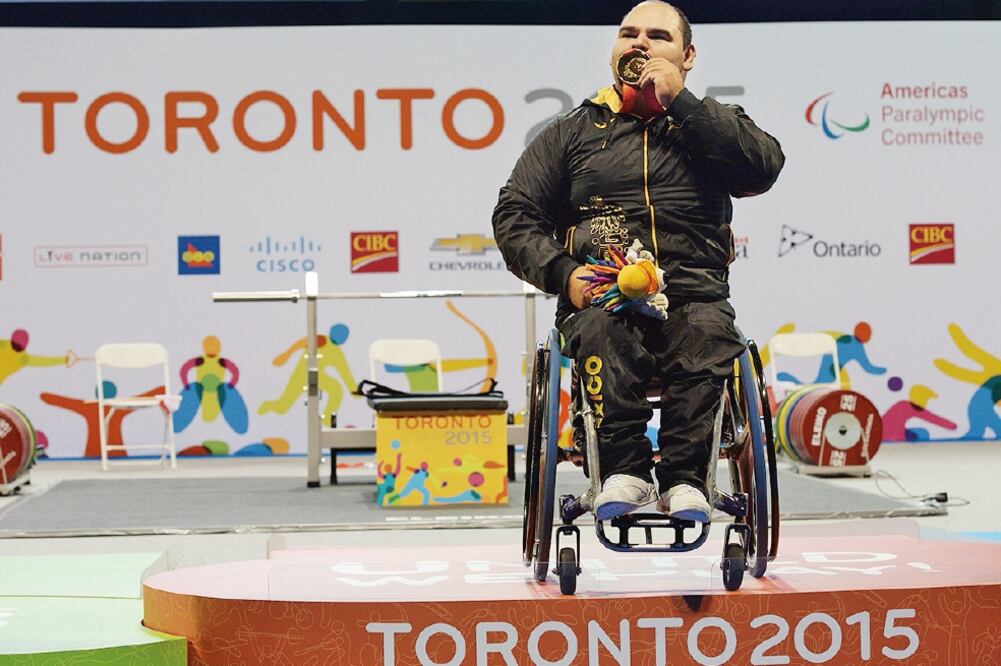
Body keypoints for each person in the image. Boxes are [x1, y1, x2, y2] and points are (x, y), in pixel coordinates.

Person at [492, 0, 784, 522]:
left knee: (707, 334)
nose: (640, 43)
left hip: (692, 295)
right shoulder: (571, 133)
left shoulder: (711, 124)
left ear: (687, 56)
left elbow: (762, 169)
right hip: (603, 297)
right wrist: (564, 275)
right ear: (614, 51)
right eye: (629, 33)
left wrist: (681, 104)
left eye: (658, 36)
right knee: (601, 329)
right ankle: (623, 473)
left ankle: (686, 481)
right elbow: (515, 213)